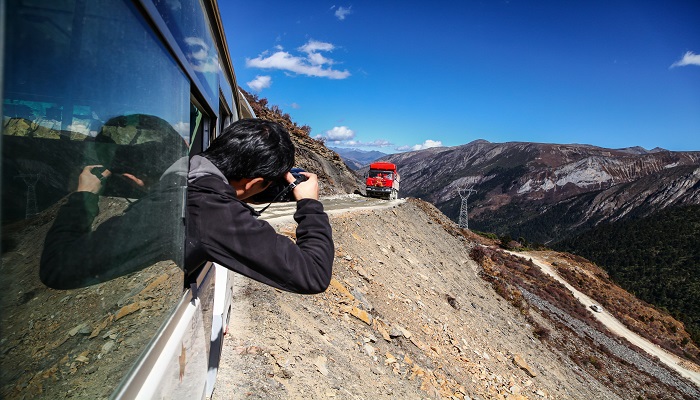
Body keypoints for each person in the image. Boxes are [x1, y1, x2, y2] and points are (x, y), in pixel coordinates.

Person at [185, 118, 334, 294]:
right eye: (267, 184)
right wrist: (310, 203)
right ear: (252, 183)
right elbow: (314, 273)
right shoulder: (212, 212)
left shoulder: (187, 174)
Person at [40, 114, 188, 289]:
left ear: (131, 178)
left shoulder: (166, 211)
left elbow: (57, 267)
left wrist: (83, 196)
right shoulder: (195, 181)